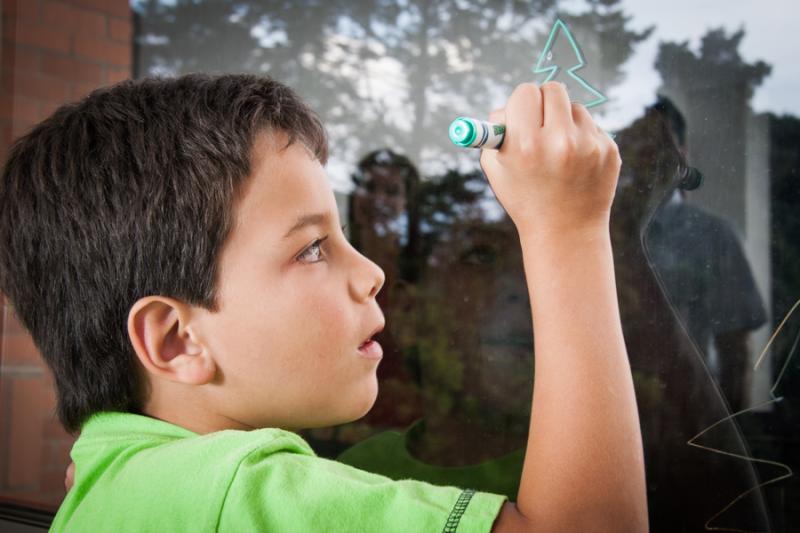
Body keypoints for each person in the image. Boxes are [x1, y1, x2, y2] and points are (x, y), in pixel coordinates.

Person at [1, 74, 646, 531]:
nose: (371, 273)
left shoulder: (106, 474)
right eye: (312, 248)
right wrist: (569, 229)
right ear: (177, 341)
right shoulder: (252, 495)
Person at [644, 95, 768, 413]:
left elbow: (735, 351)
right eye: (637, 143)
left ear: (682, 155)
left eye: (658, 144)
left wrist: (725, 441)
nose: (646, 156)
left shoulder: (713, 236)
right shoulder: (600, 232)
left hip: (688, 416)